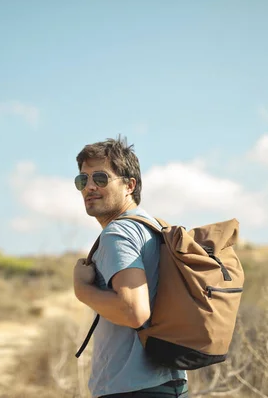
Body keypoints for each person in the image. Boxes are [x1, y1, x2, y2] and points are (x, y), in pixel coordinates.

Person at [72, 136, 188, 398]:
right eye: (83, 180)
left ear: (129, 185)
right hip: (169, 384)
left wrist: (81, 289)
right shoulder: (154, 227)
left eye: (100, 178)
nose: (89, 187)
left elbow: (133, 311)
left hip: (133, 389)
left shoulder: (119, 233)